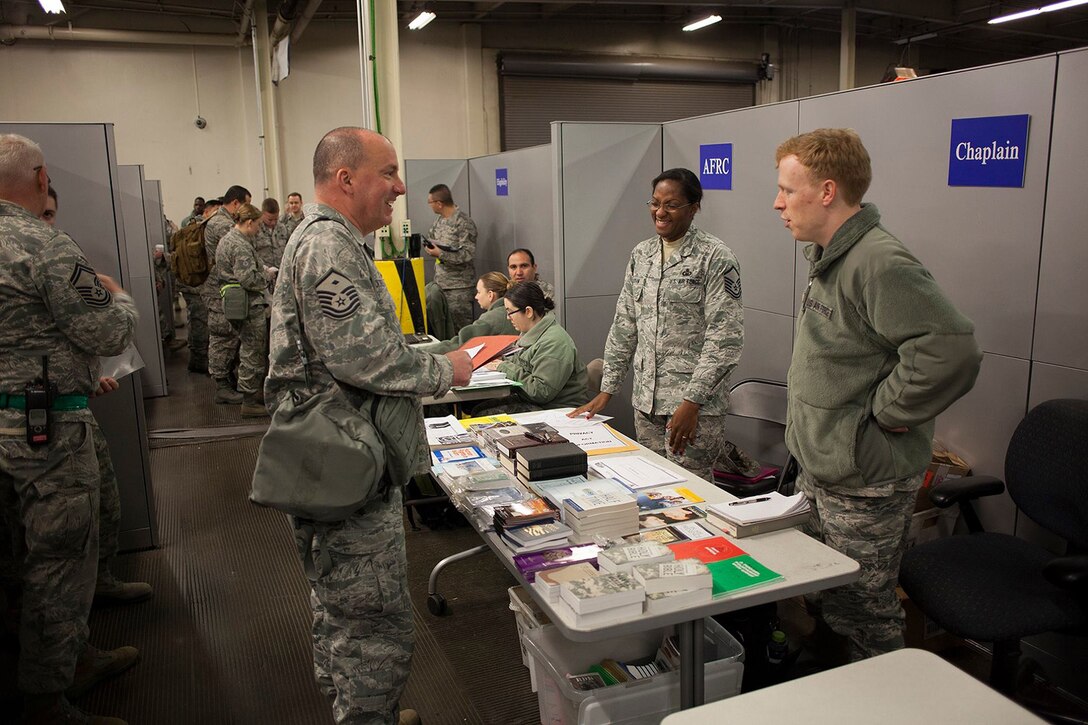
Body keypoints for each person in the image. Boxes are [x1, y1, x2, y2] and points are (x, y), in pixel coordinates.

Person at [265, 127, 471, 725]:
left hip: (334, 457)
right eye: (388, 173)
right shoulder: (329, 246)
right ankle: (366, 715)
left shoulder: (331, 241)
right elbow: (363, 357)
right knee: (372, 617)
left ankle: (351, 708)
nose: (401, 187)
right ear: (346, 178)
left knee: (338, 603)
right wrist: (445, 369)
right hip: (345, 466)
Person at [773, 128, 982, 662]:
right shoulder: (830, 255)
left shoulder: (879, 261)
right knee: (827, 595)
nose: (778, 203)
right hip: (825, 465)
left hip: (864, 476)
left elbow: (949, 350)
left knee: (864, 611)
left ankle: (887, 703)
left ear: (826, 191)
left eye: (787, 190)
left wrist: (885, 415)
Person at [0, 133, 138, 724]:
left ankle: (55, 666)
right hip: (47, 434)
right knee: (58, 563)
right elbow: (108, 333)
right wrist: (121, 298)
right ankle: (48, 702)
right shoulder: (45, 246)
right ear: (40, 177)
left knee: (14, 559)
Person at [571, 168, 744, 482]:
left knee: (693, 496)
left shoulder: (716, 257)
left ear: (694, 208)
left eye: (671, 205)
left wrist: (692, 403)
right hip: (646, 404)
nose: (660, 212)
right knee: (652, 489)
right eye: (654, 203)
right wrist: (608, 388)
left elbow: (725, 338)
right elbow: (625, 324)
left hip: (695, 410)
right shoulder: (642, 254)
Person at [37, 186, 155, 606]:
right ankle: (63, 661)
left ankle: (99, 582)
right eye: (43, 212)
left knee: (99, 507)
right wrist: (116, 295)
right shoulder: (54, 257)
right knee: (65, 536)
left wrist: (84, 378)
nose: (46, 223)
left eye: (51, 215)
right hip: (52, 422)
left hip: (63, 402)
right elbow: (111, 333)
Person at [476, 281, 588, 415]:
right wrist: (501, 360)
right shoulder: (530, 331)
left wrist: (504, 367)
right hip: (536, 401)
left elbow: (541, 392)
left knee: (483, 412)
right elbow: (522, 363)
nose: (508, 318)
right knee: (477, 407)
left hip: (557, 409)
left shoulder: (554, 342)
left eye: (510, 312)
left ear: (528, 312)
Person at [215, 203, 272, 418]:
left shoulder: (227, 239)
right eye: (257, 224)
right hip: (248, 304)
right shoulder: (240, 245)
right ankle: (249, 400)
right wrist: (266, 275)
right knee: (252, 350)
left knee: (248, 348)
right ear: (249, 222)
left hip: (235, 303)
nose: (258, 229)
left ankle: (252, 392)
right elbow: (248, 278)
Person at [203, 185, 251, 404]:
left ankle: (226, 379)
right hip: (218, 290)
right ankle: (222, 385)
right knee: (223, 336)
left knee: (229, 334)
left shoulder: (218, 220)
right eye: (246, 204)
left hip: (221, 288)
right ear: (235, 203)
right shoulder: (222, 224)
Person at [416, 271, 516, 355]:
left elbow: (460, 343)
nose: (476, 297)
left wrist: (419, 352)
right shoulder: (513, 310)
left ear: (490, 295)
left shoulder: (492, 318)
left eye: (479, 292)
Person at [424, 183, 477, 331]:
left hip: (459, 288)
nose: (430, 206)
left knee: (461, 331)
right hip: (441, 284)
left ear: (439, 204)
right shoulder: (439, 221)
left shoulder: (464, 223)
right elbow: (432, 237)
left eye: (430, 202)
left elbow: (467, 254)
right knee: (445, 331)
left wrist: (440, 254)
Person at [255, 197, 289, 269]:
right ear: (262, 214)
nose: (273, 222)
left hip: (280, 271)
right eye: (270, 220)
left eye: (276, 219)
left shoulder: (282, 228)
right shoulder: (255, 229)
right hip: (263, 272)